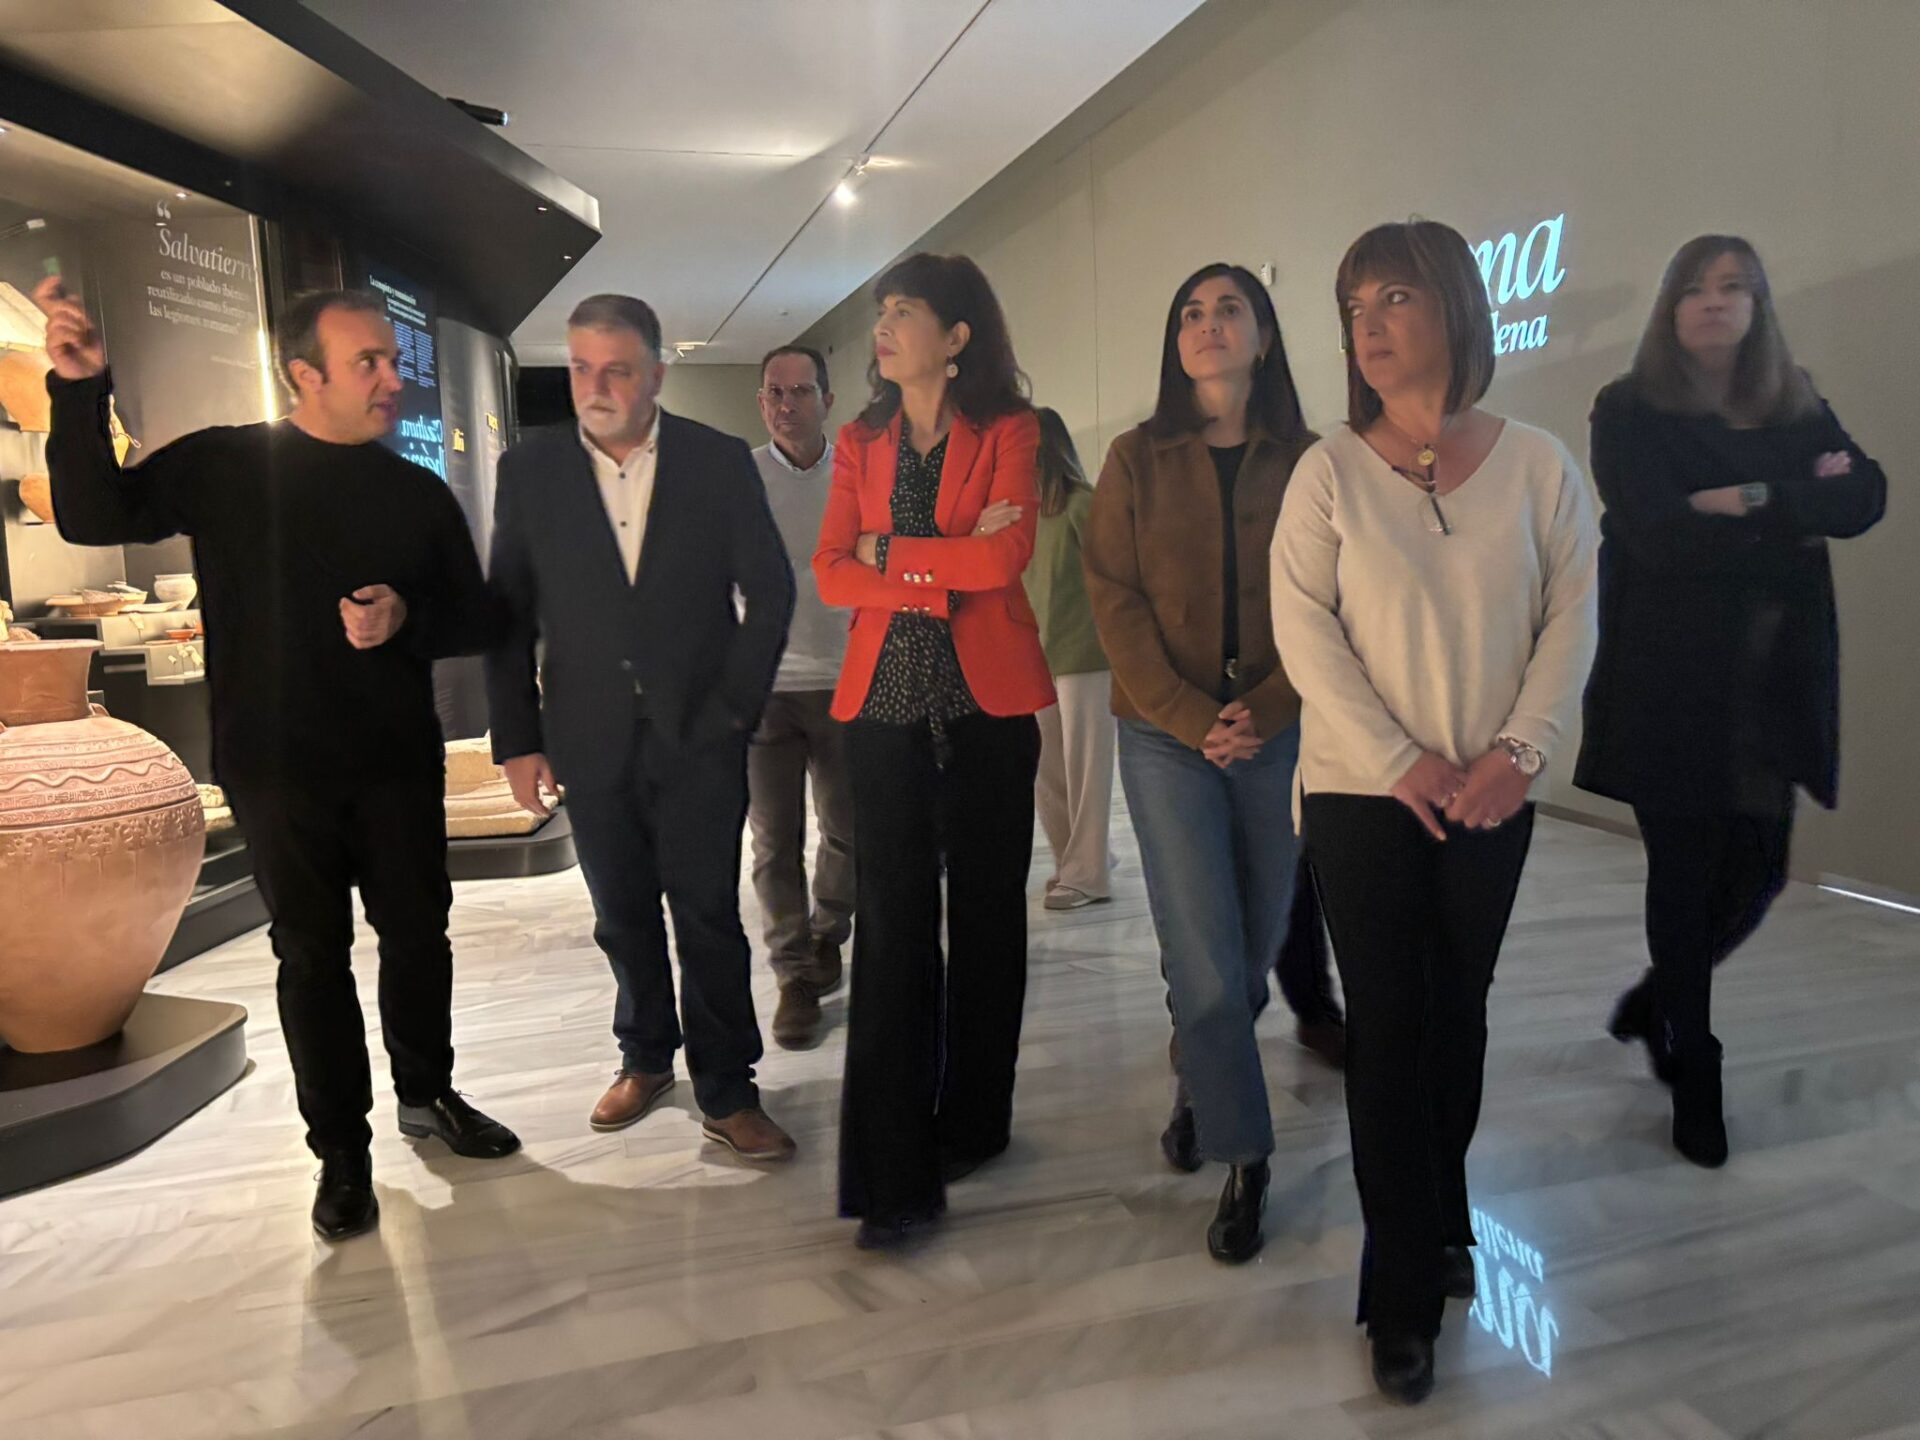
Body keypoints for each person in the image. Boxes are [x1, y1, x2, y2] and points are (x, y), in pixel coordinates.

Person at [38, 280, 519, 1244]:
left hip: (393, 759)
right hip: (276, 765)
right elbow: (92, 515)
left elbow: (479, 616)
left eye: (391, 359)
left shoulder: (416, 492)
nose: (392, 379)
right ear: (305, 375)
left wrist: (406, 617)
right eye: (368, 363)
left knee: (418, 936)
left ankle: (428, 1093)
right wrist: (79, 389)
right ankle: (341, 1153)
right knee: (311, 956)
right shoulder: (228, 464)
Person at [1270, 219, 1598, 1403]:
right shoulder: (1327, 472)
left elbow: (1571, 616)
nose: (1368, 325)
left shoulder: (1539, 465)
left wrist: (1520, 751)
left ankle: (1442, 1209)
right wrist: (1401, 759)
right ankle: (1399, 1285)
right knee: (1391, 1024)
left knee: (1458, 1015)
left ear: (1456, 307)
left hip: (1492, 792)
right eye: (1355, 305)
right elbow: (1307, 632)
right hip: (1364, 796)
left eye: (1394, 298)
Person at [1574, 235, 1885, 1168]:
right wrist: (1791, 506)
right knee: (1680, 873)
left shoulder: (1796, 402)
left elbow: (1863, 499)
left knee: (1759, 874)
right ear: (1670, 307)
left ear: (1758, 308)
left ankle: (1656, 1000)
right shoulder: (1628, 409)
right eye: (1696, 288)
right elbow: (1656, 534)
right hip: (1670, 683)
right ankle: (1694, 1068)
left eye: (1734, 288)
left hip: (1772, 688)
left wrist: (1740, 497)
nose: (1715, 302)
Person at [486, 294, 798, 1161]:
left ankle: (729, 1087)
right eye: (581, 368)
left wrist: (735, 708)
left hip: (701, 734)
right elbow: (507, 614)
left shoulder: (716, 460)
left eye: (617, 370)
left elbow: (771, 591)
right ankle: (647, 1055)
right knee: (620, 912)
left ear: (656, 373)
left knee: (708, 915)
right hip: (586, 735)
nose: (596, 386)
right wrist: (517, 740)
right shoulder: (531, 470)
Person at [815, 252, 1054, 1250]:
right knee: (893, 932)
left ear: (955, 338)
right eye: (881, 310)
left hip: (990, 711)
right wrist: (937, 564)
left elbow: (1006, 557)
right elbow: (831, 572)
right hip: (883, 712)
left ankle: (978, 1121)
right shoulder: (859, 442)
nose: (883, 326)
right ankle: (892, 1178)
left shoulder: (1010, 430)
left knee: (990, 923)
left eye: (903, 310)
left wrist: (889, 553)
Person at [1082, 262, 1316, 1264]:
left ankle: (1199, 1076)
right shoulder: (1135, 459)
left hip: (1275, 732)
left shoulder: (1311, 461)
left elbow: (1331, 598)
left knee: (1249, 951)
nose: (1208, 324)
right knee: (1209, 963)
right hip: (1163, 736)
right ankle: (1245, 1155)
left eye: (1230, 309)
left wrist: (1267, 707)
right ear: (1175, 343)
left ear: (1263, 336)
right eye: (1191, 312)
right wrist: (1191, 717)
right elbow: (1113, 598)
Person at [747, 345, 855, 1050]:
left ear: (827, 400)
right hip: (766, 689)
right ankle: (792, 975)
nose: (787, 404)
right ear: (762, 401)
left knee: (847, 830)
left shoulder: (858, 474)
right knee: (772, 840)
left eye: (802, 391)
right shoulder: (741, 477)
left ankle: (827, 934)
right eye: (775, 392)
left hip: (848, 679)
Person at [1023, 406, 1114, 911]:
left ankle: (1089, 873)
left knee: (1086, 769)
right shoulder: (1019, 513)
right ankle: (1074, 862)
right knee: (1047, 769)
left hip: (1085, 656)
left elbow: (1115, 577)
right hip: (1035, 657)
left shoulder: (1082, 504)